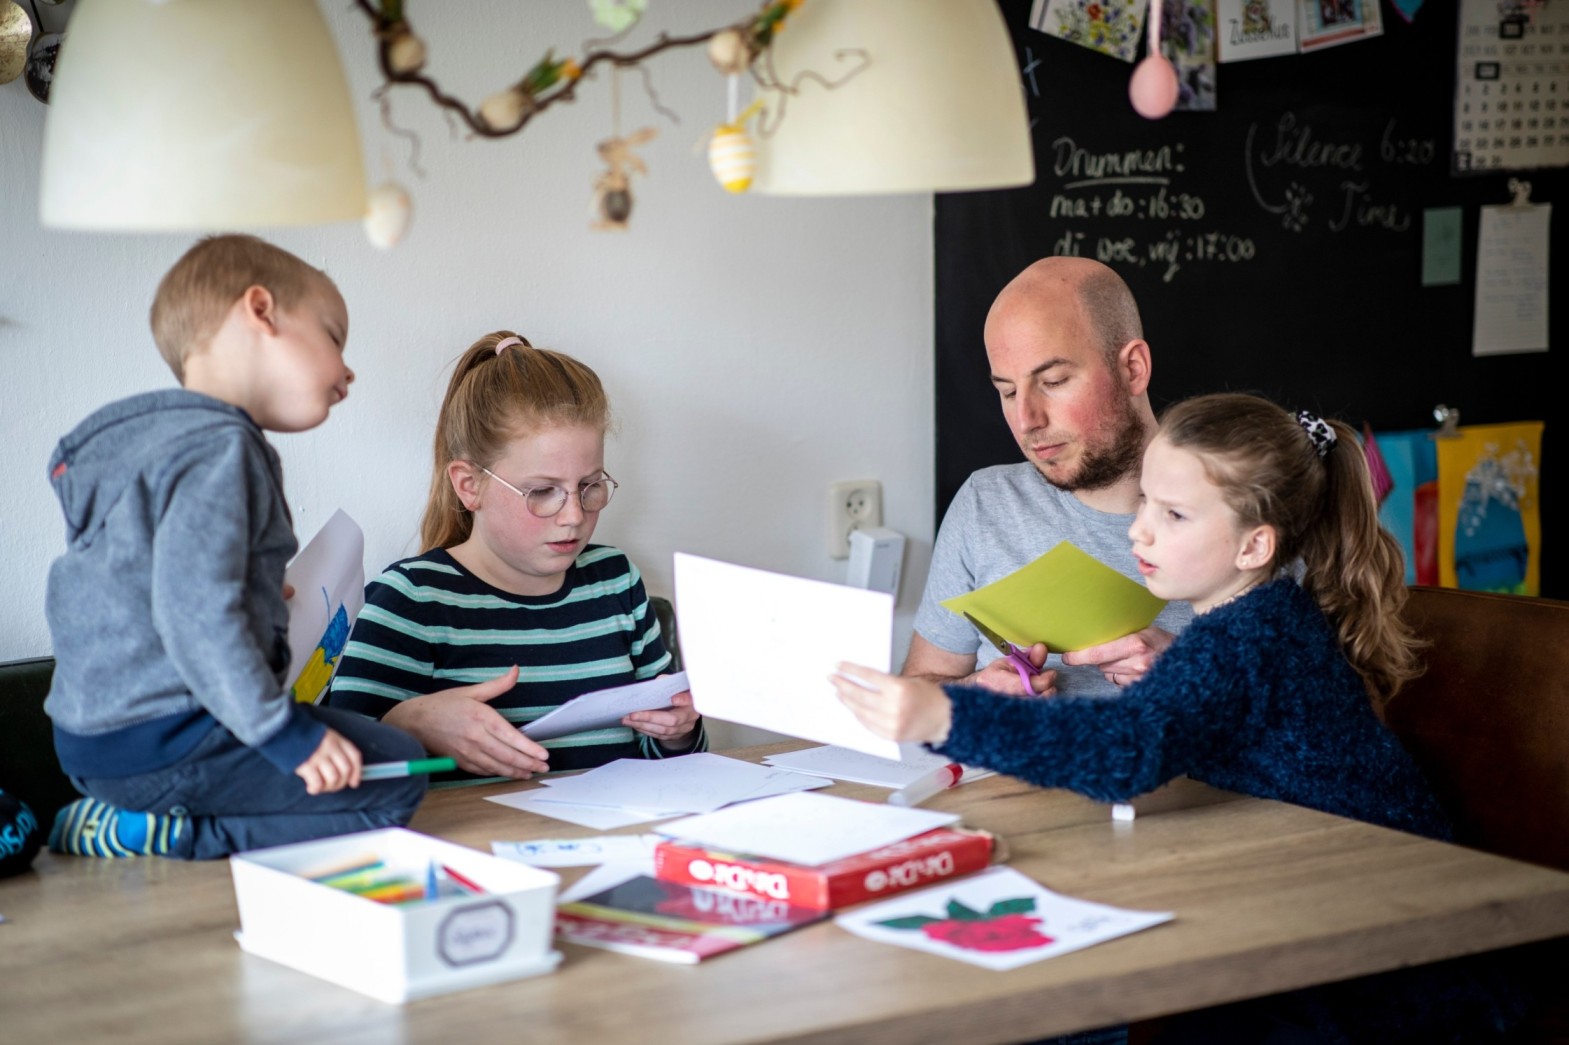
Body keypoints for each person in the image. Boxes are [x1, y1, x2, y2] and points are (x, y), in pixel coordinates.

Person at [837, 393, 1529, 1044]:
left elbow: (1124, 755)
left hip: (1392, 972)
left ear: (1253, 546)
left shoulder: (1244, 638)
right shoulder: (1256, 620)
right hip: (1341, 924)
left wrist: (946, 712)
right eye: (1144, 501)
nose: (1138, 529)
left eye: (1173, 514)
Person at [44, 234, 426, 860]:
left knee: (380, 754)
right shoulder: (223, 447)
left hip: (96, 738)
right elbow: (195, 615)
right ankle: (163, 830)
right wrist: (285, 736)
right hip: (172, 734)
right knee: (392, 778)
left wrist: (254, 591)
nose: (347, 369)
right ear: (261, 310)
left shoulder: (148, 449)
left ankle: (132, 808)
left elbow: (133, 589)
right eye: (334, 336)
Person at [326, 332, 702, 781]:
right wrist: (408, 725)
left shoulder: (616, 581)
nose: (574, 515)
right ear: (469, 486)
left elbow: (672, 764)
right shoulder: (411, 601)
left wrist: (677, 732)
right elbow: (340, 776)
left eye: (590, 486)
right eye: (542, 492)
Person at [909, 257, 1193, 699]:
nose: (1026, 420)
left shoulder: (1247, 505)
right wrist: (974, 692)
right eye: (1006, 391)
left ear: (1133, 369)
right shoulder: (985, 504)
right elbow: (918, 689)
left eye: (1054, 381)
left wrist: (1198, 676)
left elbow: (1322, 725)